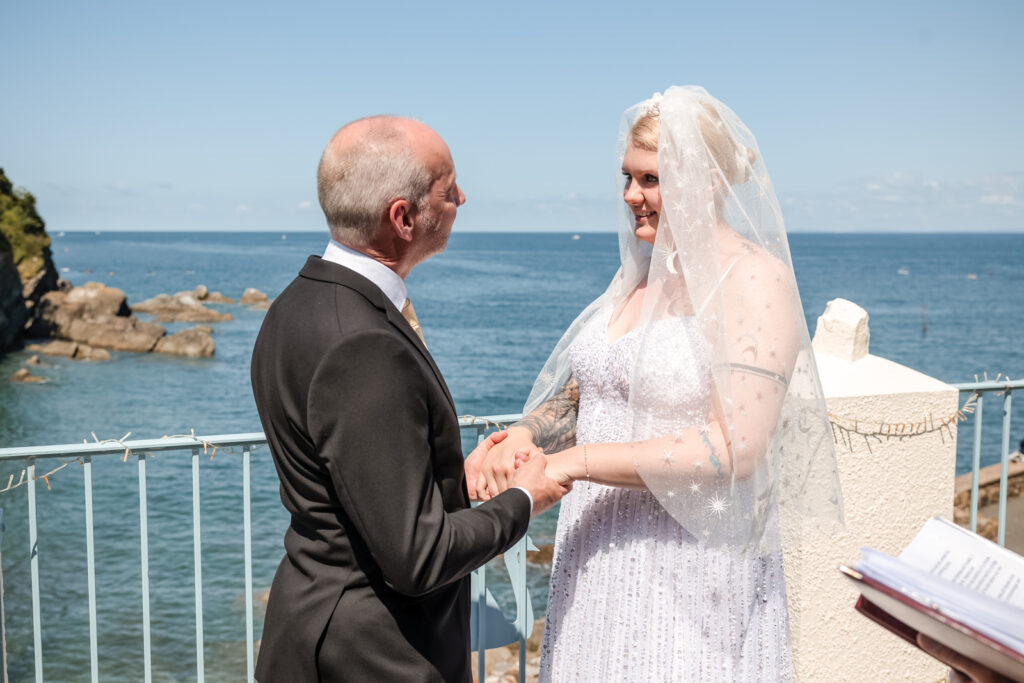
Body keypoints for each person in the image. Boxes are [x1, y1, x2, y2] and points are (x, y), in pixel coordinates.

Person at [468, 87, 844, 681]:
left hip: (690, 569)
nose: (630, 197)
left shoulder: (752, 279)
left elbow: (737, 447)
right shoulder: (639, 278)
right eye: (627, 178)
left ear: (708, 180)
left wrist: (574, 464)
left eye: (650, 180)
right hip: (595, 560)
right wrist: (523, 435)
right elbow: (587, 389)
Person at [250, 116, 569, 682]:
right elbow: (417, 556)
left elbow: (358, 484)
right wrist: (523, 500)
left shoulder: (295, 304)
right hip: (372, 654)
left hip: (311, 623)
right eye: (449, 190)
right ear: (402, 217)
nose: (462, 198)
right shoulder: (364, 344)